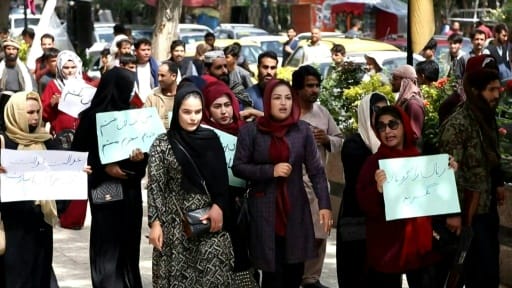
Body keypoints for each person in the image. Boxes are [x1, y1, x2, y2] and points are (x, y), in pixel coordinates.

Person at [232, 79, 332, 287]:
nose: (283, 103)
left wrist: (324, 205)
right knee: (272, 274)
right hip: (265, 210)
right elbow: (239, 167)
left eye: (287, 98)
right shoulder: (251, 131)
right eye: (277, 98)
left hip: (296, 210)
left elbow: (316, 171)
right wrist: (271, 170)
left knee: (295, 271)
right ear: (268, 101)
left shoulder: (302, 130)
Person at [357, 105, 456, 287]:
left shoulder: (419, 159)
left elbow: (434, 198)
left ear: (404, 125)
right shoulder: (373, 163)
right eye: (381, 126)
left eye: (393, 124)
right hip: (386, 244)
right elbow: (364, 204)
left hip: (421, 246)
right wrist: (378, 190)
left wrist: (447, 173)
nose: (387, 131)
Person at [147, 81, 234, 287]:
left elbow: (222, 179)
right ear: (177, 111)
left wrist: (219, 207)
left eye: (197, 112)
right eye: (186, 112)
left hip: (207, 220)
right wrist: (155, 223)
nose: (193, 117)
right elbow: (156, 186)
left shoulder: (211, 139)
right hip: (174, 225)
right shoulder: (162, 143)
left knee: (212, 278)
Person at [0, 91, 89, 287]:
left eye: (37, 111)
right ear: (15, 113)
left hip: (40, 224)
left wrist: (76, 172)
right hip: (13, 225)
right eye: (29, 112)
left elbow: (62, 174)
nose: (34, 117)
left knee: (40, 275)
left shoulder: (47, 141)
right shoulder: (4, 142)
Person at [71, 67, 148, 288]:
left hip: (130, 191)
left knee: (128, 245)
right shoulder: (91, 118)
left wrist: (136, 161)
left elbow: (145, 156)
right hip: (105, 190)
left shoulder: (132, 117)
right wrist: (104, 167)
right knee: (107, 245)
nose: (131, 92)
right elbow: (77, 157)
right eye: (128, 87)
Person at [438, 54, 504, 288]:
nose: (497, 95)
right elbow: (448, 172)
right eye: (491, 90)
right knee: (470, 273)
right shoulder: (458, 125)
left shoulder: (485, 119)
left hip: (486, 210)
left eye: (499, 89)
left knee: (488, 273)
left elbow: (490, 157)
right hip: (466, 214)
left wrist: (497, 184)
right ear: (475, 91)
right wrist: (453, 213)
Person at [293, 66, 343, 288]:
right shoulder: (289, 112)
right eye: (309, 86)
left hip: (318, 183)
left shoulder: (322, 113)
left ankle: (312, 278)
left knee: (320, 231)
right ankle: (295, 275)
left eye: (317, 85)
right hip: (293, 184)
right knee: (297, 233)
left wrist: (326, 140)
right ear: (297, 89)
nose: (315, 90)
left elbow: (340, 140)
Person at [337, 92, 388, 288]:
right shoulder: (354, 145)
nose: (382, 115)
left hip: (382, 225)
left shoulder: (390, 143)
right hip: (356, 222)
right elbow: (360, 181)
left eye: (386, 109)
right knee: (356, 275)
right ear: (366, 113)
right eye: (377, 110)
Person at [41, 50, 95, 229]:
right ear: (59, 68)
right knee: (63, 176)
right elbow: (44, 114)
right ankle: (61, 212)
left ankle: (74, 218)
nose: (70, 71)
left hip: (83, 136)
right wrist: (52, 104)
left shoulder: (85, 85)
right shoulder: (52, 86)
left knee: (80, 176)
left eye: (73, 67)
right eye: (66, 67)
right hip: (62, 139)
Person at [391, 65, 424, 143]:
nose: (392, 82)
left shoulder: (413, 104)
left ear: (405, 81)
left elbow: (414, 135)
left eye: (395, 79)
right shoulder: (406, 101)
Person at [144, 61, 178, 128]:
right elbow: (145, 121)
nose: (159, 79)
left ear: (173, 76)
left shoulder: (183, 96)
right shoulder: (152, 96)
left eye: (162, 75)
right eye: (158, 75)